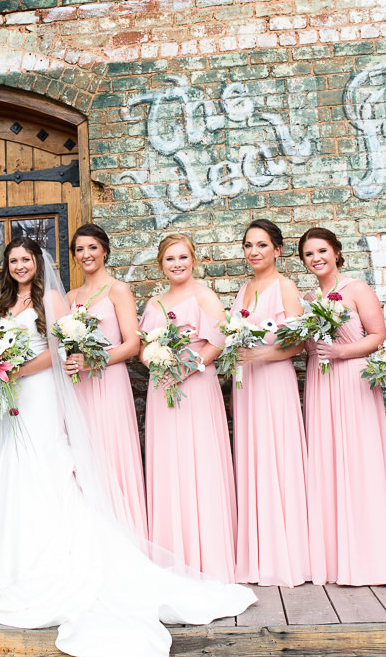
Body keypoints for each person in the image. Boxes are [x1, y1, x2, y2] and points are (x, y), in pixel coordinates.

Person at [0, 237, 255, 657]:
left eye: (27, 259)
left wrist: (20, 368)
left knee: (50, 463)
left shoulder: (57, 298)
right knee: (18, 466)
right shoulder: (8, 302)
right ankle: (10, 557)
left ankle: (53, 553)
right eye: (14, 261)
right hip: (20, 396)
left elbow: (63, 351)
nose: (21, 266)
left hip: (44, 390)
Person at [297, 228, 386, 587]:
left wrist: (340, 352)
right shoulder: (305, 298)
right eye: (308, 254)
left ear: (336, 252)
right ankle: (333, 559)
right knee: (325, 462)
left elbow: (378, 335)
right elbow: (305, 344)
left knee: (359, 461)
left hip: (352, 378)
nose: (316, 258)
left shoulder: (356, 289)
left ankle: (370, 559)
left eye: (321, 250)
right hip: (320, 382)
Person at [139, 234, 237, 582]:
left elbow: (219, 340)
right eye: (169, 259)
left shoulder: (204, 295)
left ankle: (206, 554)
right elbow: (143, 349)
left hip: (195, 385)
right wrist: (158, 362)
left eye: (182, 257)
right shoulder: (154, 303)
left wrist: (187, 366)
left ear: (193, 259)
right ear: (160, 264)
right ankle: (172, 551)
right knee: (169, 461)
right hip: (162, 387)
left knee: (200, 459)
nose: (177, 264)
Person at [230, 219, 311, 587]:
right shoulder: (243, 289)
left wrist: (259, 356)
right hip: (245, 387)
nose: (254, 252)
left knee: (276, 459)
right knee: (252, 459)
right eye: (248, 245)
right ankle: (256, 555)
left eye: (261, 245)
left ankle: (284, 555)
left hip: (273, 383)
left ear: (277, 250)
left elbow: (298, 344)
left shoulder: (285, 287)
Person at [63, 223, 148, 539]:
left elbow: (132, 344)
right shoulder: (70, 296)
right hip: (80, 389)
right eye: (80, 249)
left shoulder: (118, 290)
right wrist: (70, 360)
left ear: (105, 250)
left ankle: (123, 535)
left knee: (110, 453)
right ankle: (90, 537)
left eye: (92, 247)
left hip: (109, 383)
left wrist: (92, 360)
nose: (86, 254)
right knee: (83, 457)